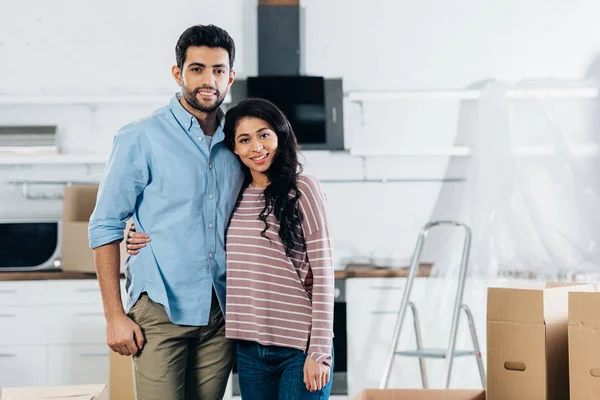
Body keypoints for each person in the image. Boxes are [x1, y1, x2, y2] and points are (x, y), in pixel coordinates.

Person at [127, 98, 336, 399]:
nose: (257, 147)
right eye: (244, 139)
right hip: (250, 352)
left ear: (280, 135)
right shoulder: (234, 194)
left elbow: (325, 273)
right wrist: (136, 232)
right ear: (234, 149)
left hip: (299, 347)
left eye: (264, 134)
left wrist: (318, 351)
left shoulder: (303, 188)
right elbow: (188, 227)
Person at [88, 24, 243, 400]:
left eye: (219, 70)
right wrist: (113, 316)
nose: (209, 80)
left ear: (231, 77)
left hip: (220, 314)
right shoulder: (141, 136)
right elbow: (105, 223)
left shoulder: (239, 139)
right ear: (178, 73)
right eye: (198, 68)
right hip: (160, 308)